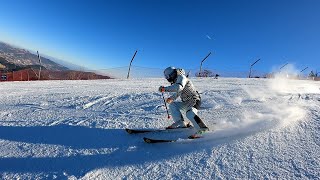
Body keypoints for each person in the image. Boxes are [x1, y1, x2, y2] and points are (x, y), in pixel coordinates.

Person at [159, 66, 209, 138]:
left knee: (190, 113)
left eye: (167, 76)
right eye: (166, 77)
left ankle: (203, 129)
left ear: (172, 74)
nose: (167, 78)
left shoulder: (182, 77)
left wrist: (165, 89)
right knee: (172, 105)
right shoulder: (177, 80)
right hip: (186, 102)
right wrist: (171, 98)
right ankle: (181, 124)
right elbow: (179, 92)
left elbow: (179, 87)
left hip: (194, 100)